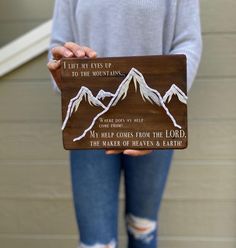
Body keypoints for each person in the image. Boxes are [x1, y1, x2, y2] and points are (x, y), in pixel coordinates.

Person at [47, 0, 202, 247]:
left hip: (154, 120)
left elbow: (188, 41)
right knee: (95, 242)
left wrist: (168, 100)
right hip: (90, 126)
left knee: (142, 230)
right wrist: (65, 68)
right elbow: (59, 43)